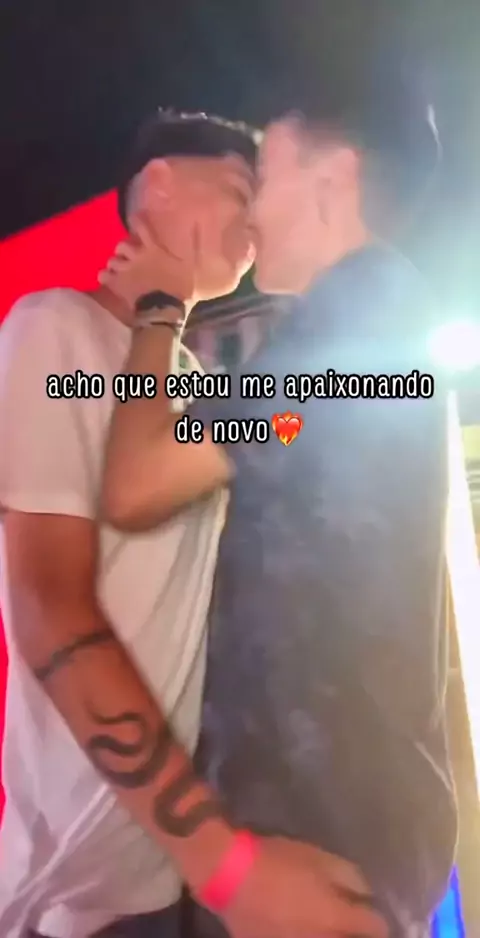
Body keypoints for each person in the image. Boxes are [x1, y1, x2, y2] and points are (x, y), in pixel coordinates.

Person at [0, 109, 384, 938]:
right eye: (241, 190)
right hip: (87, 884)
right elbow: (45, 603)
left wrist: (324, 401)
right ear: (160, 185)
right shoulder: (54, 327)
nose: (255, 222)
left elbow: (276, 426)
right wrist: (225, 863)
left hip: (181, 860)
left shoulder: (178, 373)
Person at [100, 85, 458, 938]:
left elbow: (136, 482)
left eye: (264, 177)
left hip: (313, 849)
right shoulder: (360, 344)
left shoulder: (348, 330)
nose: (253, 211)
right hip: (343, 832)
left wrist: (161, 308)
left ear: (333, 179)